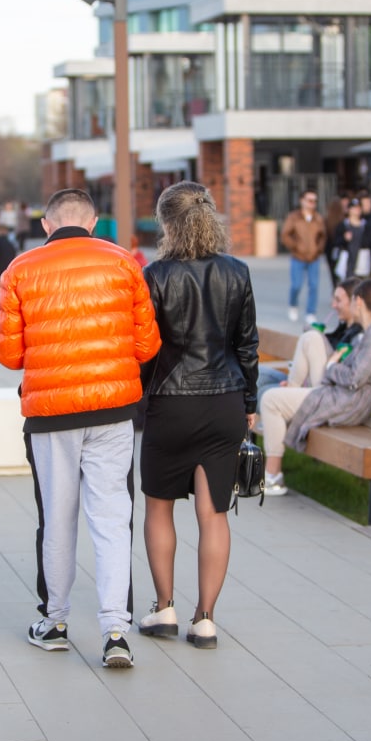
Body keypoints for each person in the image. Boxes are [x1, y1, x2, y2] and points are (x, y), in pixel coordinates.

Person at [0, 188, 162, 669]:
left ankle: (56, 622)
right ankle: (114, 631)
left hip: (50, 417)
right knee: (112, 520)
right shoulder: (124, 263)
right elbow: (147, 344)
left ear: (46, 225)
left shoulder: (21, 269)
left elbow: (8, 354)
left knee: (57, 517)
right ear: (93, 223)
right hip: (113, 412)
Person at [137, 181, 259, 651]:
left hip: (171, 402)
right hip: (225, 399)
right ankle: (205, 620)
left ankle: (163, 608)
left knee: (159, 506)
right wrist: (248, 404)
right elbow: (247, 345)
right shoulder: (237, 271)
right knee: (214, 515)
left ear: (167, 222)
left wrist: (142, 397)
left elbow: (146, 349)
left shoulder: (156, 275)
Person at [257, 279, 371, 496]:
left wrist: (331, 365)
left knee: (271, 399)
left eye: (349, 300)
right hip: (342, 397)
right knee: (271, 396)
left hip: (349, 404)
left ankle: (273, 476)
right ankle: (272, 475)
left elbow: (354, 379)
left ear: (358, 301)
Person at [255, 277, 364, 403]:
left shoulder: (359, 337)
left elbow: (343, 374)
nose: (333, 305)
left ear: (355, 302)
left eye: (338, 300)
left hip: (320, 394)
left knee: (263, 394)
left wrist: (317, 338)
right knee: (254, 374)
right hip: (303, 382)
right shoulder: (343, 330)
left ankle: (289, 391)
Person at [280, 190, 328, 324]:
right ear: (302, 201)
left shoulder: (318, 218)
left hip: (313, 257)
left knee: (314, 285)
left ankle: (310, 312)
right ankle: (293, 305)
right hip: (298, 256)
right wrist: (295, 246)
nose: (312, 204)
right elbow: (285, 234)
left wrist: (318, 249)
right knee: (296, 285)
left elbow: (323, 236)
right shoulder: (294, 217)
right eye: (310, 200)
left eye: (315, 201)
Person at [330, 198, 371, 281]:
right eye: (354, 208)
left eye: (358, 208)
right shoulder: (343, 225)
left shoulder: (366, 226)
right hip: (347, 260)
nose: (356, 210)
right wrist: (344, 238)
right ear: (349, 210)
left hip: (362, 259)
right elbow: (335, 242)